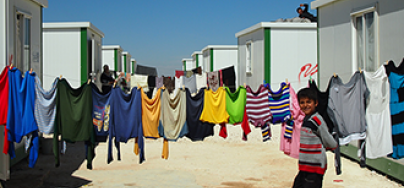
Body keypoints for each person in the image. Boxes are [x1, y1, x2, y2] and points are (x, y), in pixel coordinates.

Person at [292, 88, 337, 188]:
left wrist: (331, 146)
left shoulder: (317, 120)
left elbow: (329, 140)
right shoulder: (306, 119)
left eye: (309, 102)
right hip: (305, 166)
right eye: (302, 102)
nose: (305, 105)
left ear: (316, 103)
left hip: (315, 166)